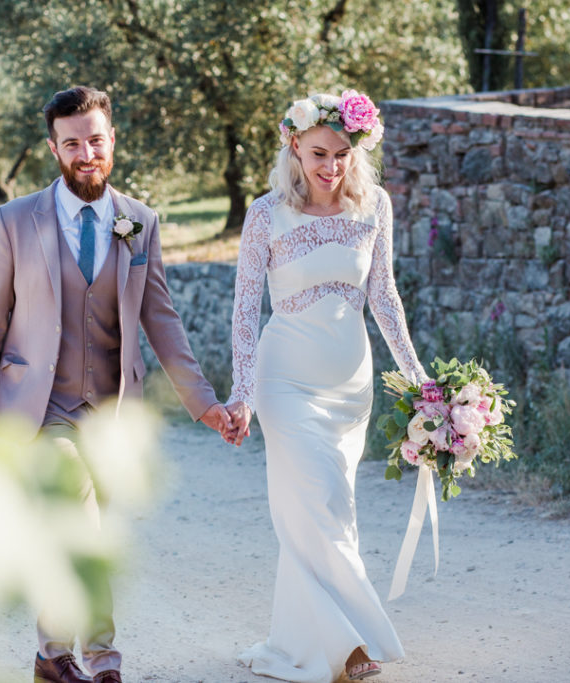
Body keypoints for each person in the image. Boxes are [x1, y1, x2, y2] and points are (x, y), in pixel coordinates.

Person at [0, 85, 232, 683]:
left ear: (113, 140)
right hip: (40, 407)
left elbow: (161, 319)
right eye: (73, 143)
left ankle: (50, 658)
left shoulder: (140, 221)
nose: (87, 153)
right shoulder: (15, 220)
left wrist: (204, 403)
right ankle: (104, 663)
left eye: (96, 140)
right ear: (53, 148)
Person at [223, 90, 428, 682]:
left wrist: (419, 383)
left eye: (342, 154)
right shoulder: (265, 213)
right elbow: (244, 311)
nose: (330, 166)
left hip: (350, 386)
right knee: (312, 502)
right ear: (294, 145)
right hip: (284, 382)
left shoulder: (375, 207)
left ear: (356, 153)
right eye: (318, 153)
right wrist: (242, 394)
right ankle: (355, 643)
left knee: (330, 510)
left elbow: (384, 299)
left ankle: (310, 642)